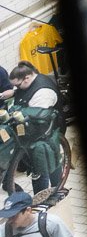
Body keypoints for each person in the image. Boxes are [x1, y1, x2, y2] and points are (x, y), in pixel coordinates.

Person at [4, 64, 64, 192]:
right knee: (46, 161)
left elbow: (37, 115)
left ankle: (53, 191)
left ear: (26, 78)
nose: (17, 87)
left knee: (45, 163)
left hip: (46, 132)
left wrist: (17, 113)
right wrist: (14, 92)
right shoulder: (31, 81)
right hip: (35, 130)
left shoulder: (44, 93)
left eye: (18, 85)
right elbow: (25, 92)